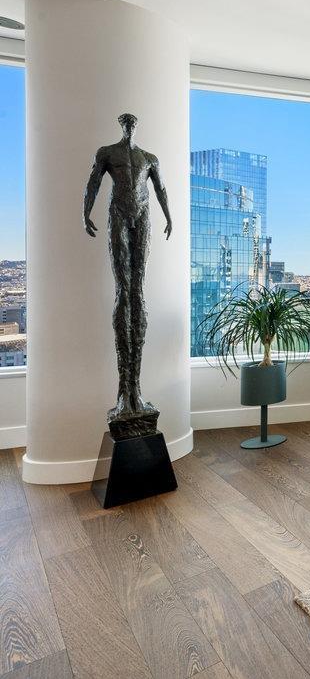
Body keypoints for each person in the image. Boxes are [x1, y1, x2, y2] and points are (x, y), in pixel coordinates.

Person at [83, 113, 172, 437]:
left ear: (137, 126)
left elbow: (160, 189)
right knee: (124, 292)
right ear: (121, 125)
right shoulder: (108, 152)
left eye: (134, 122)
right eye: (126, 122)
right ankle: (126, 393)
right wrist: (85, 212)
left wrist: (169, 217)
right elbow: (93, 182)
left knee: (138, 293)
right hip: (119, 213)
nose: (130, 126)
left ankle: (136, 390)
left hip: (143, 215)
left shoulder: (149, 158)